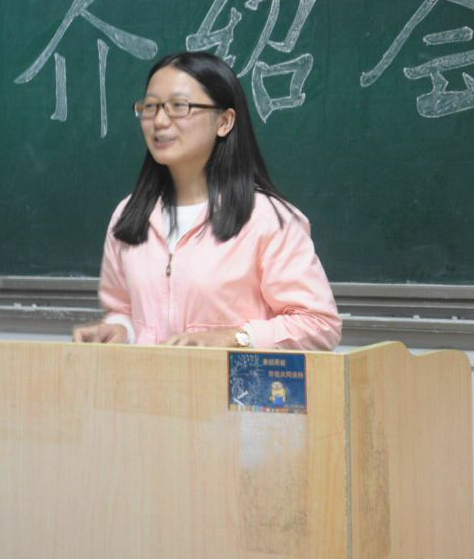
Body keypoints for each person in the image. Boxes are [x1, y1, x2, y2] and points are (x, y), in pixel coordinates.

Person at [72, 51, 341, 350]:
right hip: (148, 380)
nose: (159, 121)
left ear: (224, 121)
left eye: (178, 106)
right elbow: (124, 309)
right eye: (150, 107)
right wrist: (120, 330)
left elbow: (319, 324)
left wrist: (234, 338)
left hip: (231, 381)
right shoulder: (129, 214)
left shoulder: (266, 219)